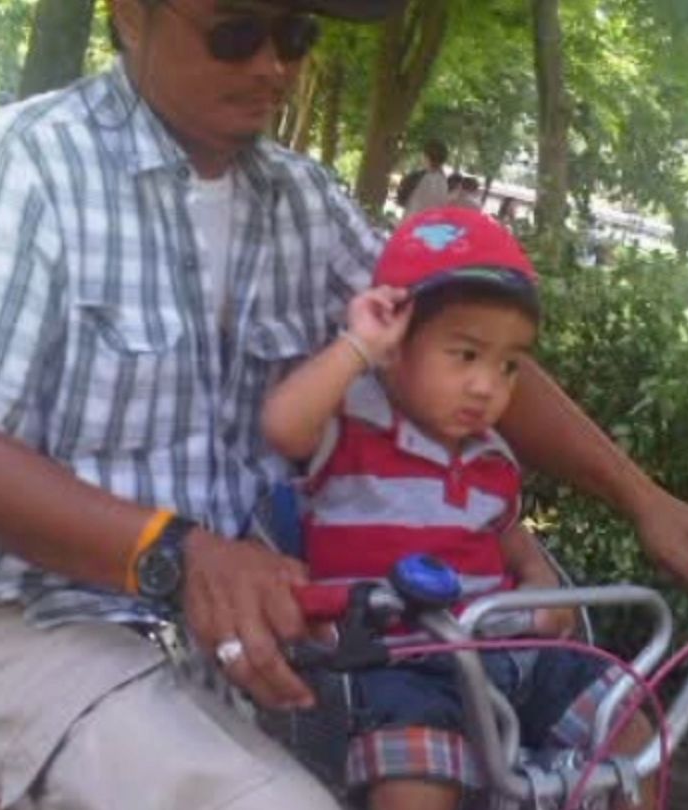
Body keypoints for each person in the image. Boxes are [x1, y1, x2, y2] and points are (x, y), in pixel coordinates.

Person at [0, 0, 688, 807]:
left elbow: (459, 344)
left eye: (295, 34)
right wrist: (181, 555)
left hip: (254, 629)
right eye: (236, 31)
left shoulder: (304, 200)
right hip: (21, 619)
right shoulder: (22, 165)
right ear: (130, 14)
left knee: (595, 765)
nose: (273, 65)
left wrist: (646, 501)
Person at [261, 207, 654, 809]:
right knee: (413, 787)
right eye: (466, 356)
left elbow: (509, 537)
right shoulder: (351, 426)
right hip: (402, 663)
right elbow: (282, 426)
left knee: (632, 731)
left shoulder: (490, 456)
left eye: (508, 365)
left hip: (511, 652)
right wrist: (359, 345)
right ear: (396, 345)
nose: (486, 385)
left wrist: (540, 580)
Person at [402, 138, 451, 216]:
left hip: (417, 221)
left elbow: (415, 208)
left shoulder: (428, 179)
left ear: (427, 157)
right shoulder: (443, 181)